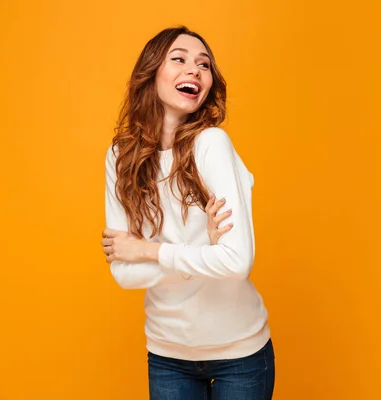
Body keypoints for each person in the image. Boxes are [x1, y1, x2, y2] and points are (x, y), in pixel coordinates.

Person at [100, 26, 275, 400]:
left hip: (239, 351)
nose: (194, 70)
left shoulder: (212, 145)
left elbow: (237, 262)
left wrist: (147, 250)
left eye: (204, 64)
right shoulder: (121, 157)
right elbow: (123, 273)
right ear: (151, 73)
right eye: (179, 59)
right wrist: (204, 252)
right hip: (167, 353)